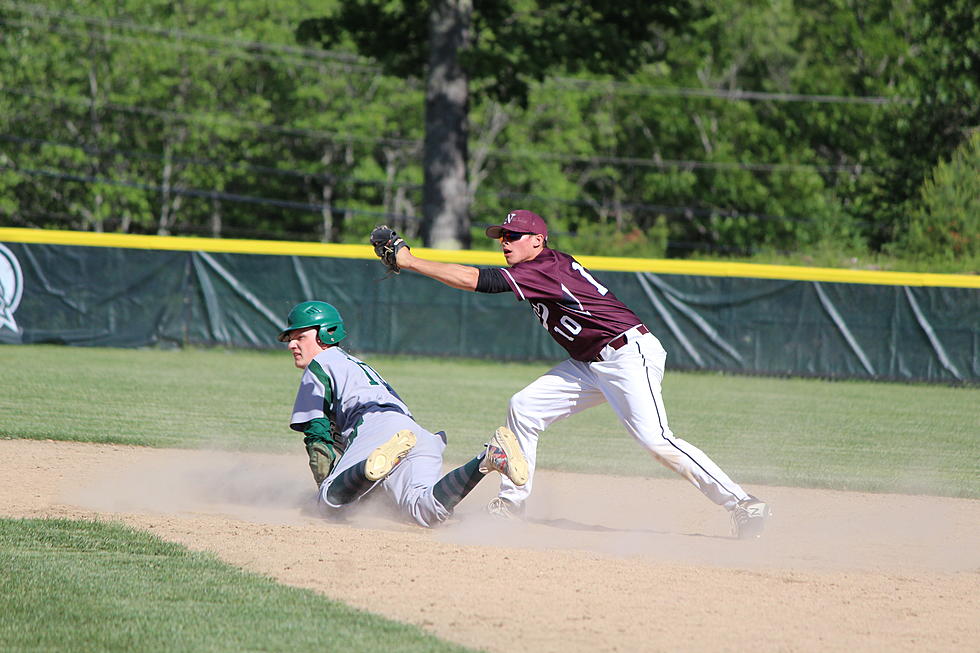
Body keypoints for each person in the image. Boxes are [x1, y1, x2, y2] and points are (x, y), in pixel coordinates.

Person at [370, 210, 771, 538]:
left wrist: (408, 259)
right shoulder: (541, 264)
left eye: (513, 236)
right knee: (523, 407)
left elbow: (478, 281)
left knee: (656, 440)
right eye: (502, 236)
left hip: (626, 355)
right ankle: (511, 505)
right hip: (590, 363)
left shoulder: (544, 267)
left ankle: (744, 503)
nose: (505, 242)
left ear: (537, 241)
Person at [279, 300, 528, 528]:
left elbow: (317, 437)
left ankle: (368, 468)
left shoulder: (320, 365)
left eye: (300, 336)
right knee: (423, 512)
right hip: (412, 432)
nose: (291, 344)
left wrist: (328, 490)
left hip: (373, 427)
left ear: (325, 334)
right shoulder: (352, 365)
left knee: (327, 504)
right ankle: (487, 457)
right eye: (290, 338)